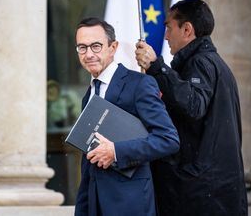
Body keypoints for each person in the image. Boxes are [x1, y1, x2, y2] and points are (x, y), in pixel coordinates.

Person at [135, 0, 248, 216]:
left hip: (201, 195)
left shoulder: (201, 63)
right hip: (212, 193)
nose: (166, 36)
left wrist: (156, 67)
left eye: (169, 27)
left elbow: (193, 105)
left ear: (187, 29)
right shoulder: (214, 63)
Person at [74, 17, 179, 216]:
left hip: (131, 204)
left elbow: (168, 139)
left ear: (113, 47)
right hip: (94, 204)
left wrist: (116, 152)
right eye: (82, 47)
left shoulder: (139, 84)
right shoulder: (89, 94)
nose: (88, 54)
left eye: (96, 46)